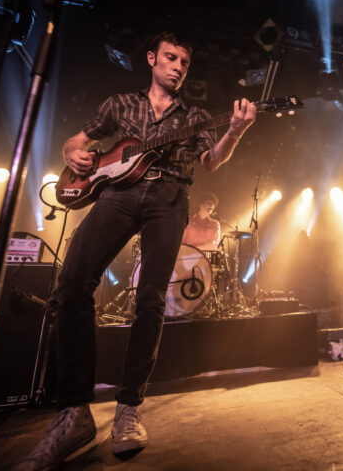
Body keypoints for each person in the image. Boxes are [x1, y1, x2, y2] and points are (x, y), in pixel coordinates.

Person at [14, 31, 256, 469]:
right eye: (170, 57)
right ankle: (73, 411)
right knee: (70, 285)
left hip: (170, 196)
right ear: (151, 59)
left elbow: (212, 161)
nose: (178, 67)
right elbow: (78, 141)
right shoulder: (119, 105)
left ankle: (129, 407)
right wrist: (74, 154)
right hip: (116, 196)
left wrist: (235, 131)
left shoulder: (196, 115)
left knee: (150, 299)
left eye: (184, 61)